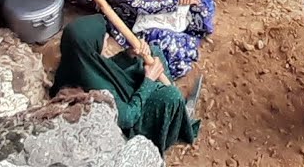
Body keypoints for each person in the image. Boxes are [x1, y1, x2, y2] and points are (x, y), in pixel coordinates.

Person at [52, 14, 200, 154]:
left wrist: (129, 55)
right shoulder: (95, 87)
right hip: (129, 123)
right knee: (171, 96)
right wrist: (148, 81)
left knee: (153, 53)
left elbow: (107, 68)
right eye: (103, 36)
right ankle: (175, 120)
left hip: (119, 93)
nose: (107, 37)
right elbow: (127, 118)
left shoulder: (79, 61)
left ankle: (173, 107)